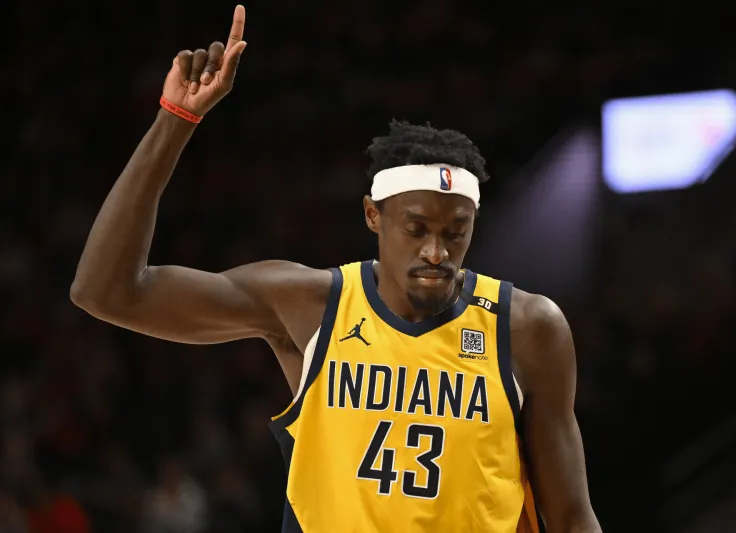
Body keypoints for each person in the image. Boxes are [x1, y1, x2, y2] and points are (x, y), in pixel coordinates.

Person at [70, 5, 601, 532]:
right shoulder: (308, 304)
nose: (436, 251)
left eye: (455, 231)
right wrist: (174, 120)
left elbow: (573, 517)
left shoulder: (526, 327)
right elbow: (106, 291)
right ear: (373, 215)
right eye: (416, 229)